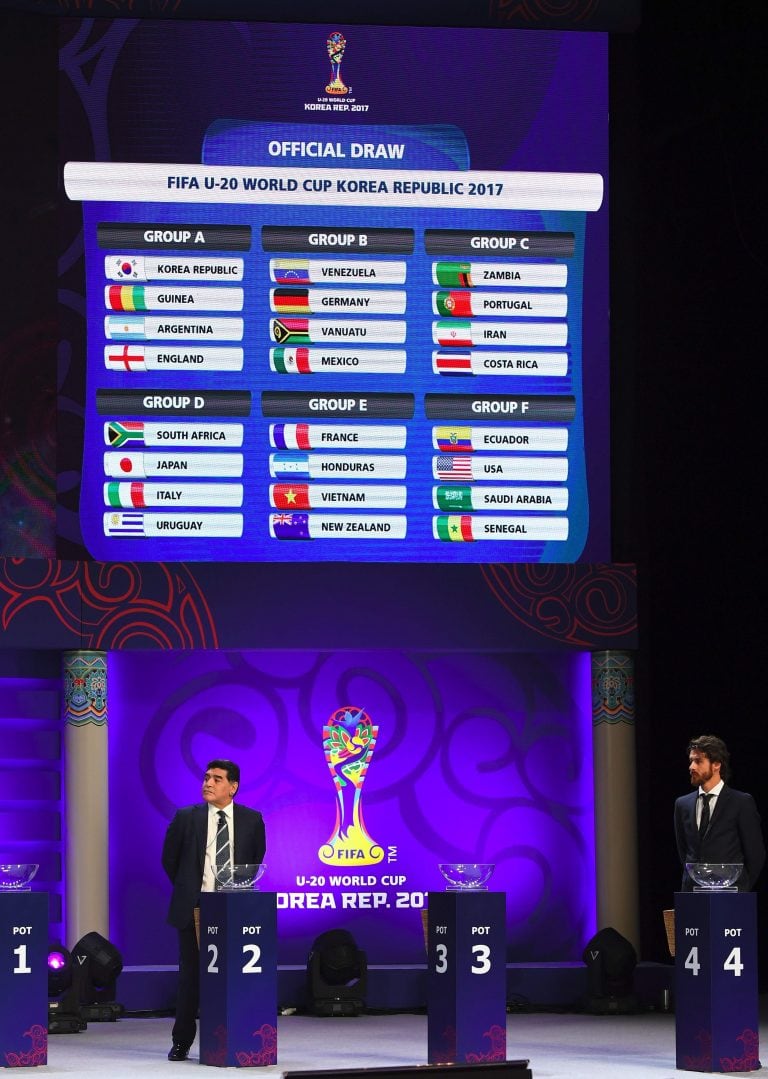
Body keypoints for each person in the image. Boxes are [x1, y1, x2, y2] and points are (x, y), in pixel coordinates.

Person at [161, 759, 266, 1061]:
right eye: (207, 777)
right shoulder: (186, 817)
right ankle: (182, 1041)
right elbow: (170, 860)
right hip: (195, 907)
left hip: (233, 909)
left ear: (233, 786)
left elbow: (255, 859)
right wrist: (189, 889)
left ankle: (235, 1037)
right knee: (191, 977)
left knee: (233, 976)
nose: (208, 783)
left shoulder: (252, 820)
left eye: (217, 779)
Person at [674, 734, 765, 892]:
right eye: (691, 761)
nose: (691, 767)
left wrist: (741, 887)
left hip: (731, 895)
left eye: (698, 761)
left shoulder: (741, 802)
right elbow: (684, 851)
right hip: (692, 894)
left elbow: (756, 854)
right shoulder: (683, 804)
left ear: (716, 765)